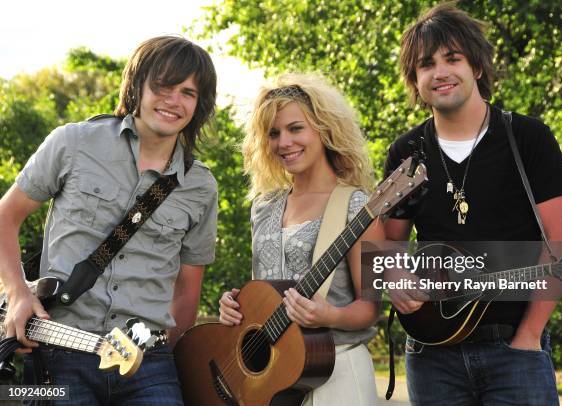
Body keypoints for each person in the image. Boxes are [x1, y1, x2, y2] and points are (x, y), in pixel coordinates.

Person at [0, 35, 218, 404]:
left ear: (199, 105)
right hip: (61, 354)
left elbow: (187, 291)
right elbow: (6, 217)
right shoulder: (73, 143)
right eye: (163, 86)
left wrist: (161, 351)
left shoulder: (201, 186)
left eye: (187, 92)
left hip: (149, 365)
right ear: (137, 86)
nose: (173, 101)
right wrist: (19, 293)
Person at [383, 3, 562, 405]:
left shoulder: (528, 139)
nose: (440, 72)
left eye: (453, 58)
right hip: (430, 353)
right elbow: (387, 246)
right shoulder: (407, 153)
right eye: (426, 64)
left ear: (477, 67)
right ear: (414, 79)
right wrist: (395, 277)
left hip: (514, 348)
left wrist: (528, 337)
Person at [219, 73, 384, 405]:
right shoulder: (263, 208)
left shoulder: (359, 208)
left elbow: (370, 308)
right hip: (272, 377)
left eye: (296, 129)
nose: (284, 143)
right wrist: (234, 308)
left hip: (338, 369)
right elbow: (264, 297)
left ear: (323, 129)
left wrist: (329, 316)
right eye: (273, 133)